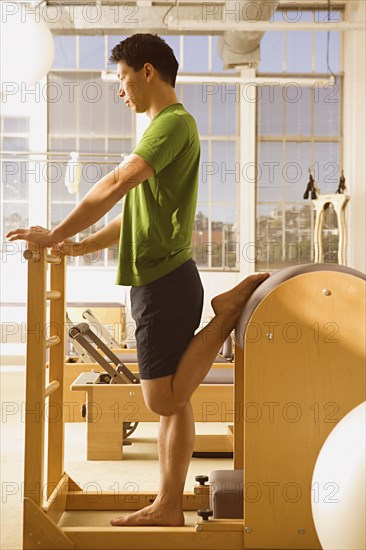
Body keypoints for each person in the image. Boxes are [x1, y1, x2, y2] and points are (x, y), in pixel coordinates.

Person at [7, 33, 269, 527]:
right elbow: (134, 214)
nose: (121, 91)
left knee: (161, 398)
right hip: (162, 279)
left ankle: (226, 312)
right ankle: (168, 505)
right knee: (176, 403)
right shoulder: (167, 129)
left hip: (165, 282)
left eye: (124, 79)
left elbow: (115, 184)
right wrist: (78, 246)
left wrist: (54, 233)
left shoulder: (171, 125)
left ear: (148, 71)